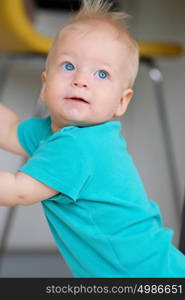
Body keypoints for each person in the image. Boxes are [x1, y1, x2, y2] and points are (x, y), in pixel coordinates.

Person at [0, 0, 185, 278]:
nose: (81, 80)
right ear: (45, 85)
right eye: (68, 65)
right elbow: (11, 130)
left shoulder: (79, 146)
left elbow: (19, 190)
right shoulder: (57, 132)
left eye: (102, 73)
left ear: (121, 102)